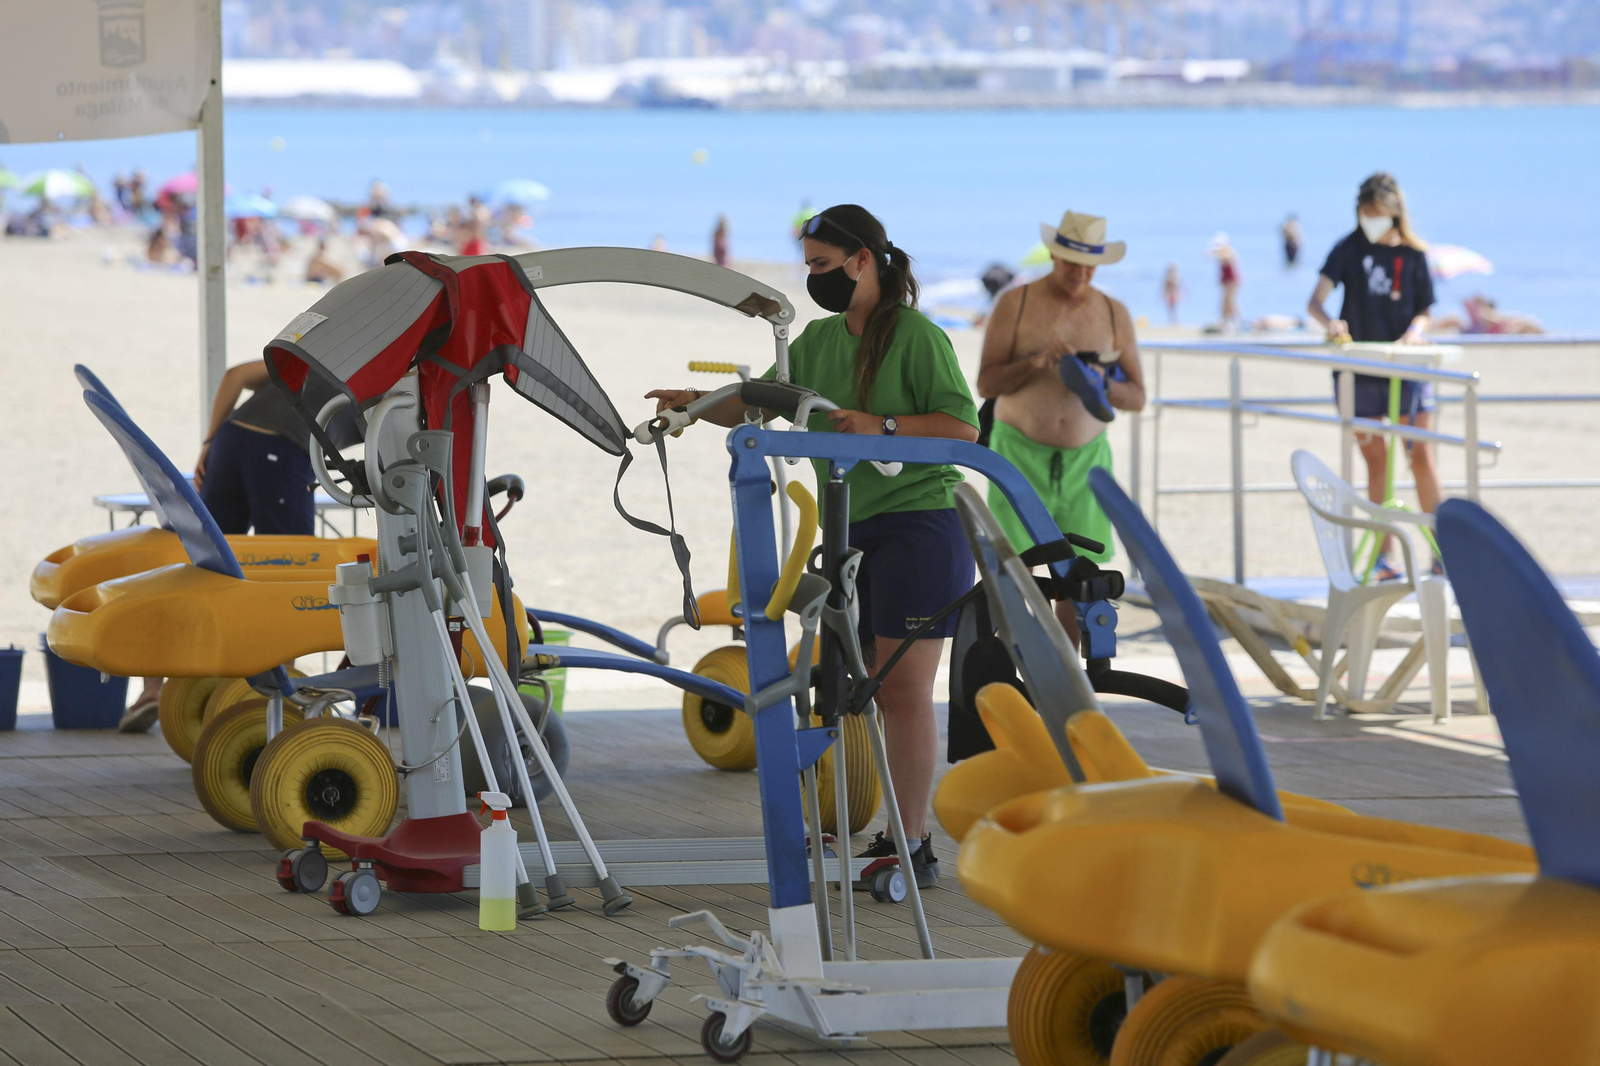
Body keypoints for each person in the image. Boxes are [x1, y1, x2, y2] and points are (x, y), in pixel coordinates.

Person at [646, 204, 978, 889]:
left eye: (823, 266)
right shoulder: (822, 341)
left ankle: (911, 840)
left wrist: (880, 426)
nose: (813, 278)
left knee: (905, 692)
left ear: (863, 261)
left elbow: (961, 427)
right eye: (808, 266)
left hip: (920, 525)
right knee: (850, 689)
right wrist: (697, 405)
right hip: (849, 527)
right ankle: (869, 826)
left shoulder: (918, 336)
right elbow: (764, 400)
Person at [976, 210, 1146, 643]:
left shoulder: (1113, 313)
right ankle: (1015, 668)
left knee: (1080, 578)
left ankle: (1069, 678)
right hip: (1018, 454)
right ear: (1054, 254)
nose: (1080, 272)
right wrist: (1035, 363)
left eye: (1090, 263)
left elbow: (1138, 397)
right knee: (1016, 569)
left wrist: (1101, 380)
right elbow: (986, 382)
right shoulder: (1015, 304)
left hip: (1085, 461)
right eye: (1071, 260)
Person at [1306, 171, 1439, 579]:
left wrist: (1416, 332)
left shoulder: (1414, 255)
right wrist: (1330, 323)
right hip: (1360, 370)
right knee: (1375, 460)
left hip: (1407, 369)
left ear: (1393, 212)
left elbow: (1425, 309)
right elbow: (1315, 301)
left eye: (1376, 213)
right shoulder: (1348, 248)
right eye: (1365, 213)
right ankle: (1387, 556)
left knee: (1420, 457)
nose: (1370, 220)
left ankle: (1441, 552)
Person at [1211, 232, 1241, 330]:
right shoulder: (1224, 253)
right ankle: (1225, 322)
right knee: (1225, 303)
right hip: (1226, 282)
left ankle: (1237, 322)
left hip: (1231, 282)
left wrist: (1214, 254)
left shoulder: (1229, 252)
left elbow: (1227, 258)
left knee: (1231, 302)